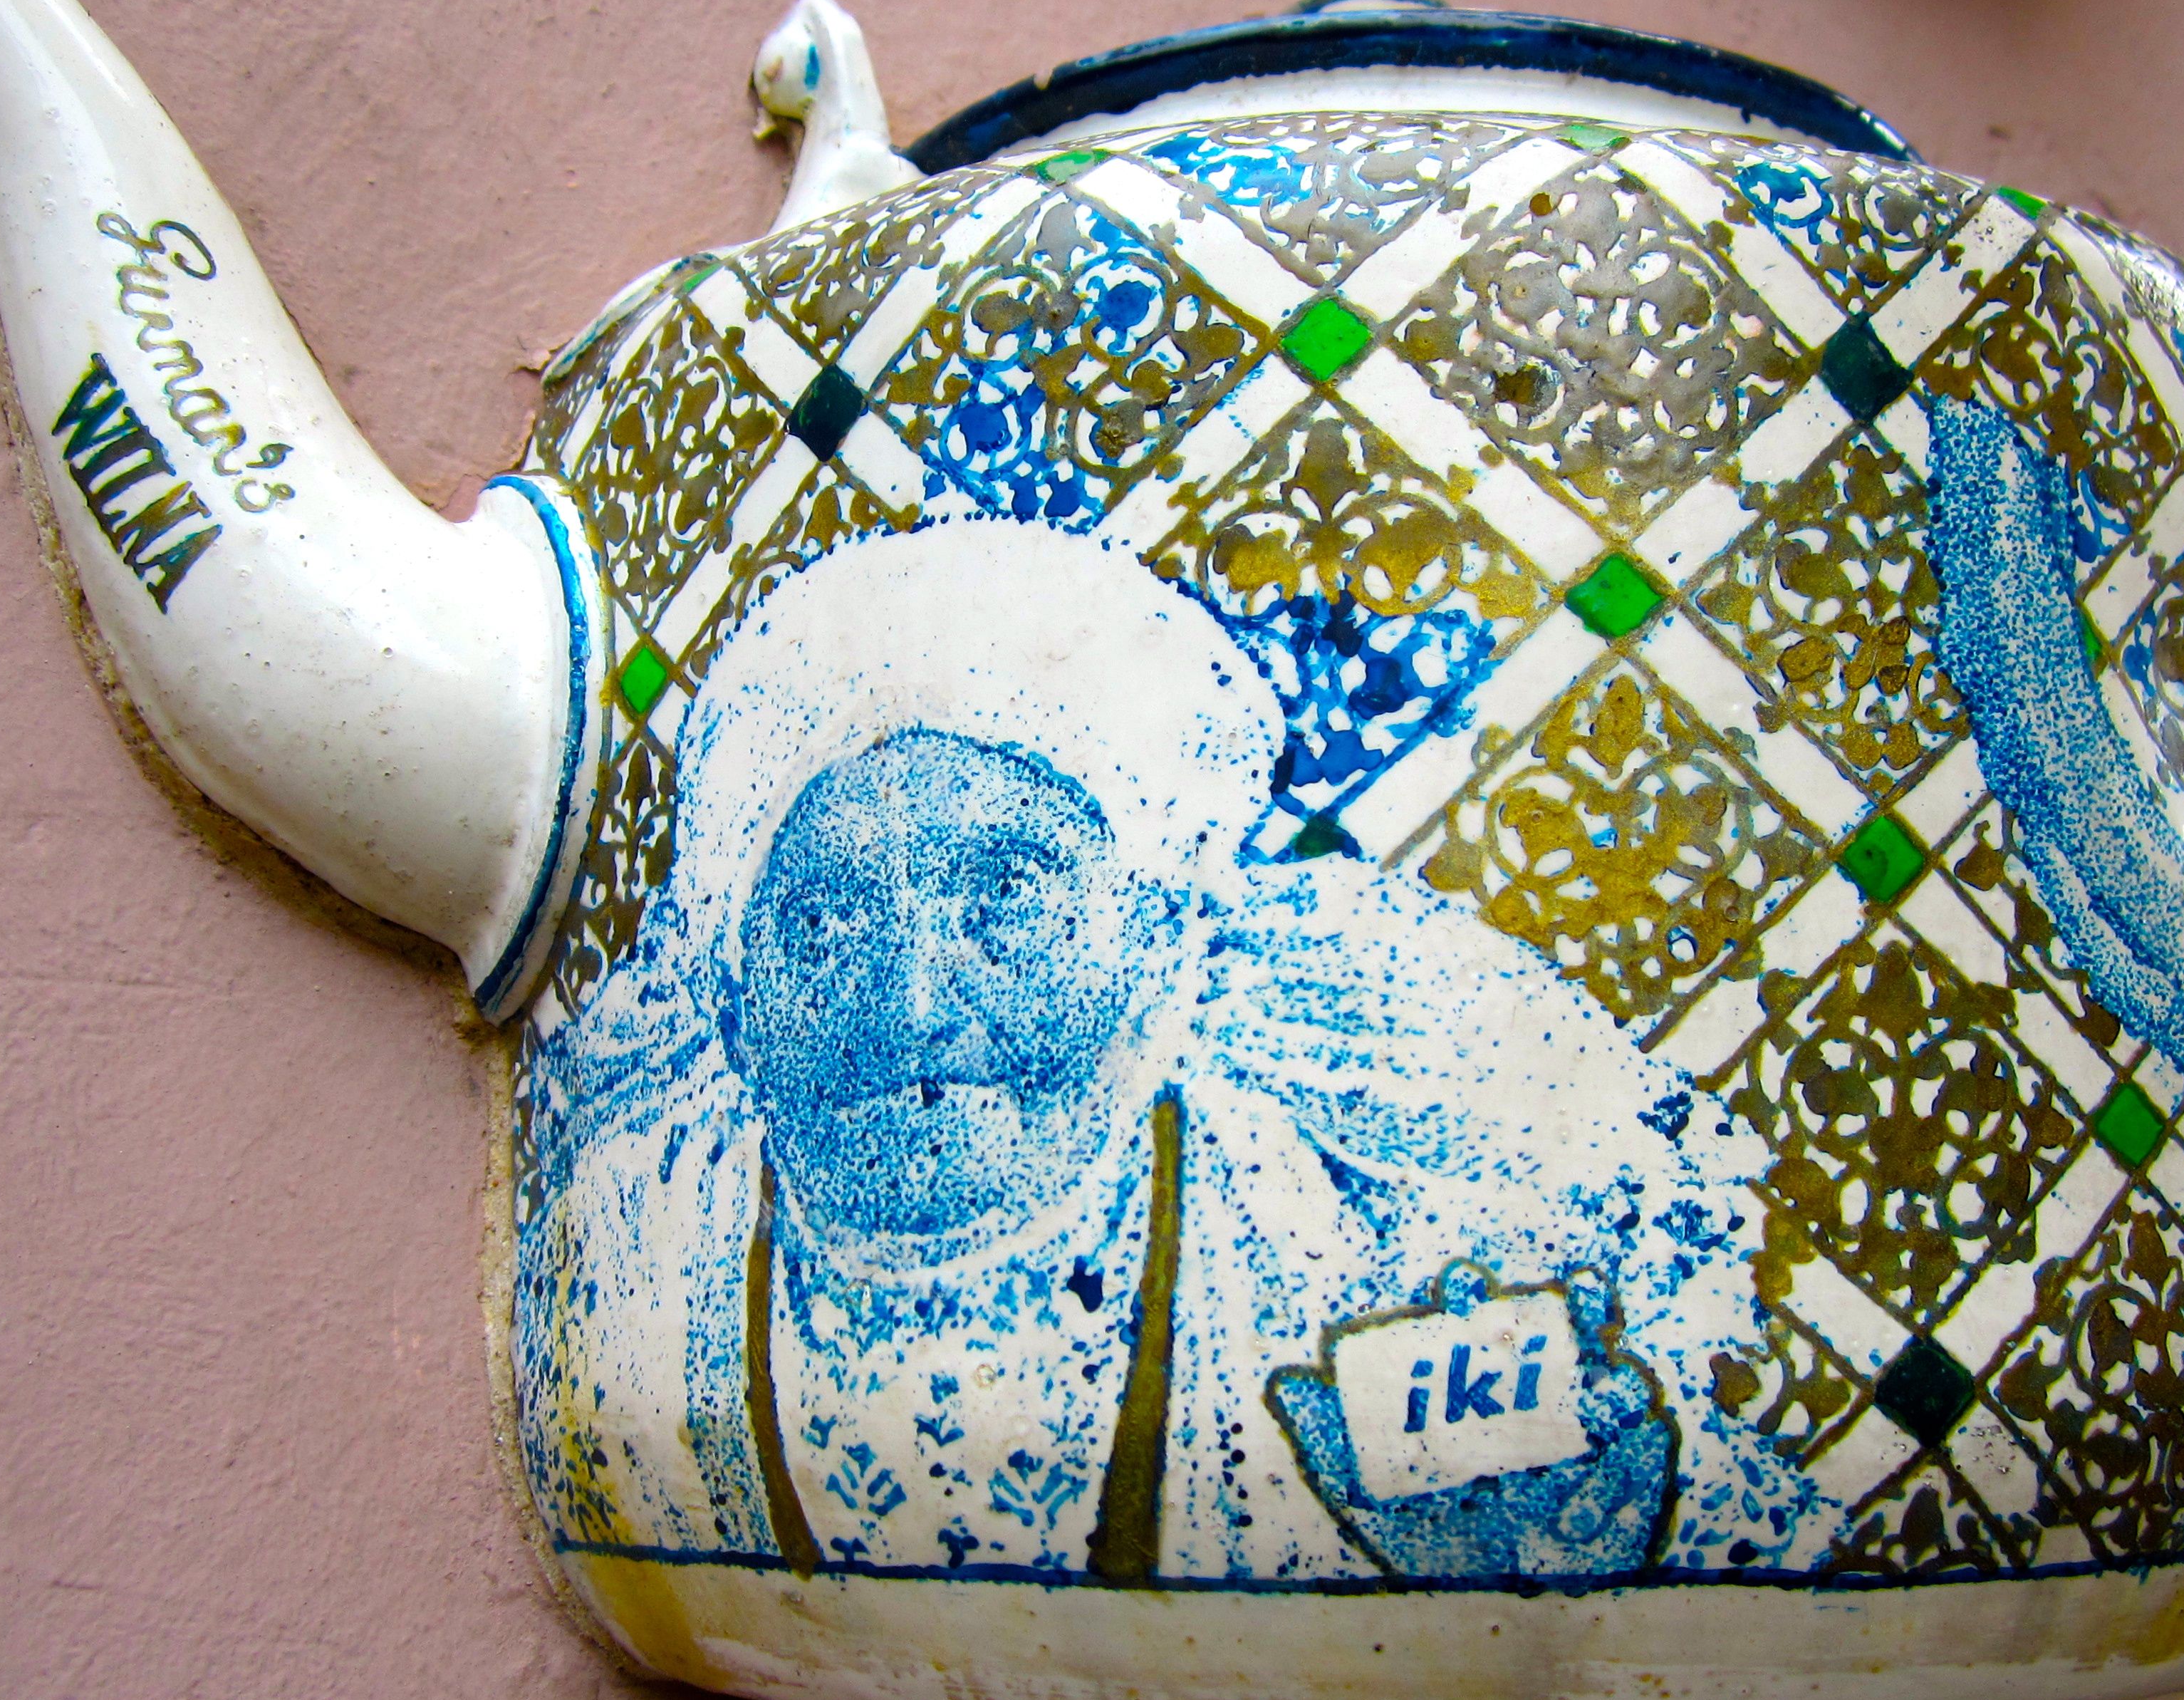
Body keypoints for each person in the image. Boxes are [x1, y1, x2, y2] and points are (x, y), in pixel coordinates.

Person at [519, 519, 1819, 1584]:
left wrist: (1544, 1556)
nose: (912, 1008)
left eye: (1009, 901)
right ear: (735, 994)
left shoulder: (1354, 1235)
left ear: (1161, 944)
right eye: (824, 925)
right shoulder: (640, 1250)